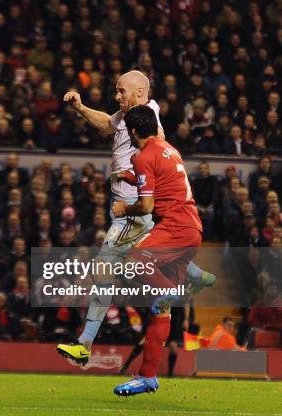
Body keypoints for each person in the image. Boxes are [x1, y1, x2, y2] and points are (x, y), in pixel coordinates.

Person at [57, 71, 214, 366]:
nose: (117, 96)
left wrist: (141, 178)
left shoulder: (149, 115)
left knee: (104, 271)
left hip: (130, 207)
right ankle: (195, 275)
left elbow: (159, 143)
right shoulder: (127, 116)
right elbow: (106, 124)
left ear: (141, 93)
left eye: (121, 91)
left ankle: (84, 343)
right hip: (130, 204)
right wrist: (80, 108)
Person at [110, 105, 203, 396]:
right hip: (191, 229)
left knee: (132, 261)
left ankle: (176, 290)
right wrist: (131, 178)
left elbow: (148, 207)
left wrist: (124, 207)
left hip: (174, 228)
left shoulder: (143, 156)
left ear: (134, 131)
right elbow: (163, 183)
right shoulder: (168, 149)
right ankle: (148, 376)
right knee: (159, 312)